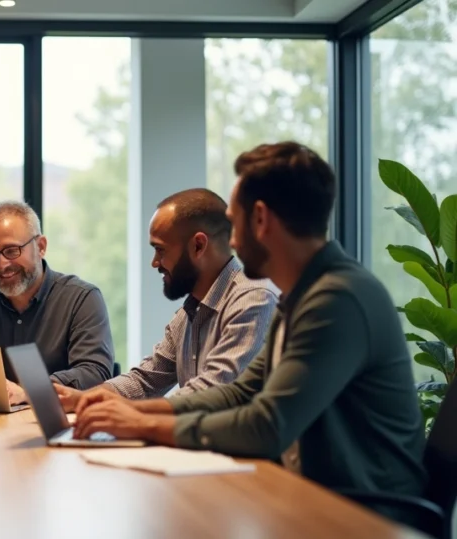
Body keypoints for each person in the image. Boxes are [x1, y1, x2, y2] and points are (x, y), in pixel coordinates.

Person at [72, 142, 426, 507]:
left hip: (365, 515)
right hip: (314, 498)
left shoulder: (337, 299)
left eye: (236, 224)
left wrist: (141, 424)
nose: (234, 242)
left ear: (260, 219)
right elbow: (238, 394)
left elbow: (266, 426)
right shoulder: (301, 296)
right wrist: (129, 411)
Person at [54, 188, 277, 409]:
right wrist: (84, 400)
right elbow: (144, 381)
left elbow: (212, 391)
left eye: (160, 250)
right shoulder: (188, 314)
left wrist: (126, 413)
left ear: (198, 246)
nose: (154, 262)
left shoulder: (253, 301)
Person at [0, 200, 115, 405]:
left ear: (41, 247)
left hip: (54, 427)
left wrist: (31, 391)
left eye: (11, 251)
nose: (2, 264)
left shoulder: (81, 299)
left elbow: (94, 373)